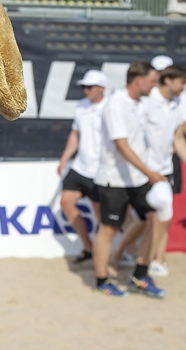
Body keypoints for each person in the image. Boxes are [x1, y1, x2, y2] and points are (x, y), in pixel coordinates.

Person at [92, 61, 167, 298]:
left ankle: (140, 274)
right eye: (152, 81)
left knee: (152, 218)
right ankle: (102, 280)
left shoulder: (139, 104)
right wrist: (150, 172)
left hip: (137, 177)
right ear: (138, 80)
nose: (155, 86)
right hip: (115, 179)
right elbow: (121, 145)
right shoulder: (116, 104)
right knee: (109, 229)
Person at [135, 65, 186, 277]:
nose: (185, 87)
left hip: (163, 171)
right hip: (141, 171)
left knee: (164, 214)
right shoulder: (147, 101)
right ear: (168, 81)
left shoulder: (177, 103)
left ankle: (154, 261)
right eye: (182, 82)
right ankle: (123, 254)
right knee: (140, 220)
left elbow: (179, 137)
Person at [55, 69, 108, 262]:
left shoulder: (111, 107)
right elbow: (75, 135)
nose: (85, 90)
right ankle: (88, 247)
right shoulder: (81, 106)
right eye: (84, 86)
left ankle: (110, 253)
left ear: (102, 88)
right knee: (66, 202)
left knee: (101, 215)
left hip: (101, 170)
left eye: (89, 86)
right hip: (80, 166)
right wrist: (64, 159)